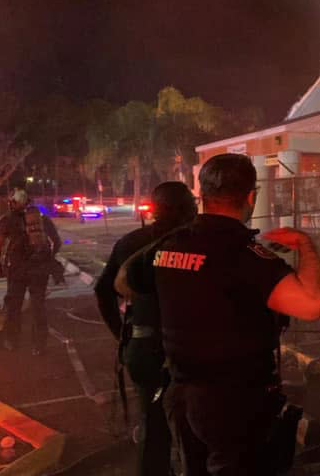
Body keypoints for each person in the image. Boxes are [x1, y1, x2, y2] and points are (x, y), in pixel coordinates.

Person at [118, 153, 320, 476]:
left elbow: (123, 280)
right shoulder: (245, 254)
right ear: (250, 197)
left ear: (202, 195)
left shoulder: (171, 244)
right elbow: (314, 304)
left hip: (181, 395)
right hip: (234, 404)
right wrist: (306, 245)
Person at [95, 181, 197, 476]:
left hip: (144, 349)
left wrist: (123, 338)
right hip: (188, 350)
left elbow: (103, 292)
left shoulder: (130, 243)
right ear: (187, 209)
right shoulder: (193, 243)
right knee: (195, 426)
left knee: (154, 427)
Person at [0, 189, 62, 354]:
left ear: (13, 203)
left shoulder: (6, 220)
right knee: (38, 306)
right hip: (39, 270)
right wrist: (48, 257)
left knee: (14, 306)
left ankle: (12, 340)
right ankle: (39, 345)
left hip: (16, 271)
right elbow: (57, 242)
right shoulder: (42, 219)